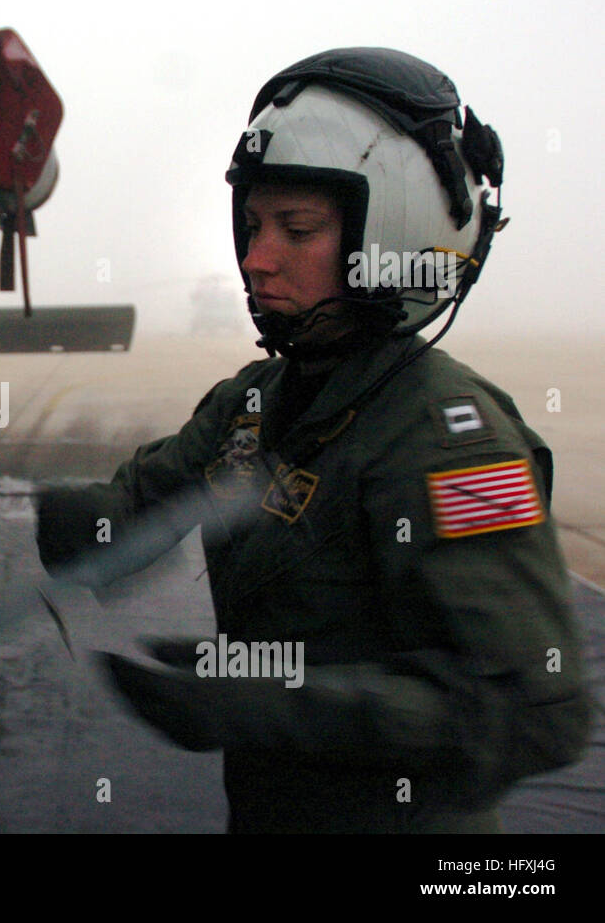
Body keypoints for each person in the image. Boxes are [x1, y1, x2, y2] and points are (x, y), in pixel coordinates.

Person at [35, 47, 590, 833]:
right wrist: (74, 519)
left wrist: (270, 702)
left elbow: (535, 711)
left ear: (392, 234)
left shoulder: (453, 441)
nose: (257, 261)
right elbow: (146, 497)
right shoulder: (257, 402)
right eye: (254, 226)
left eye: (296, 229)